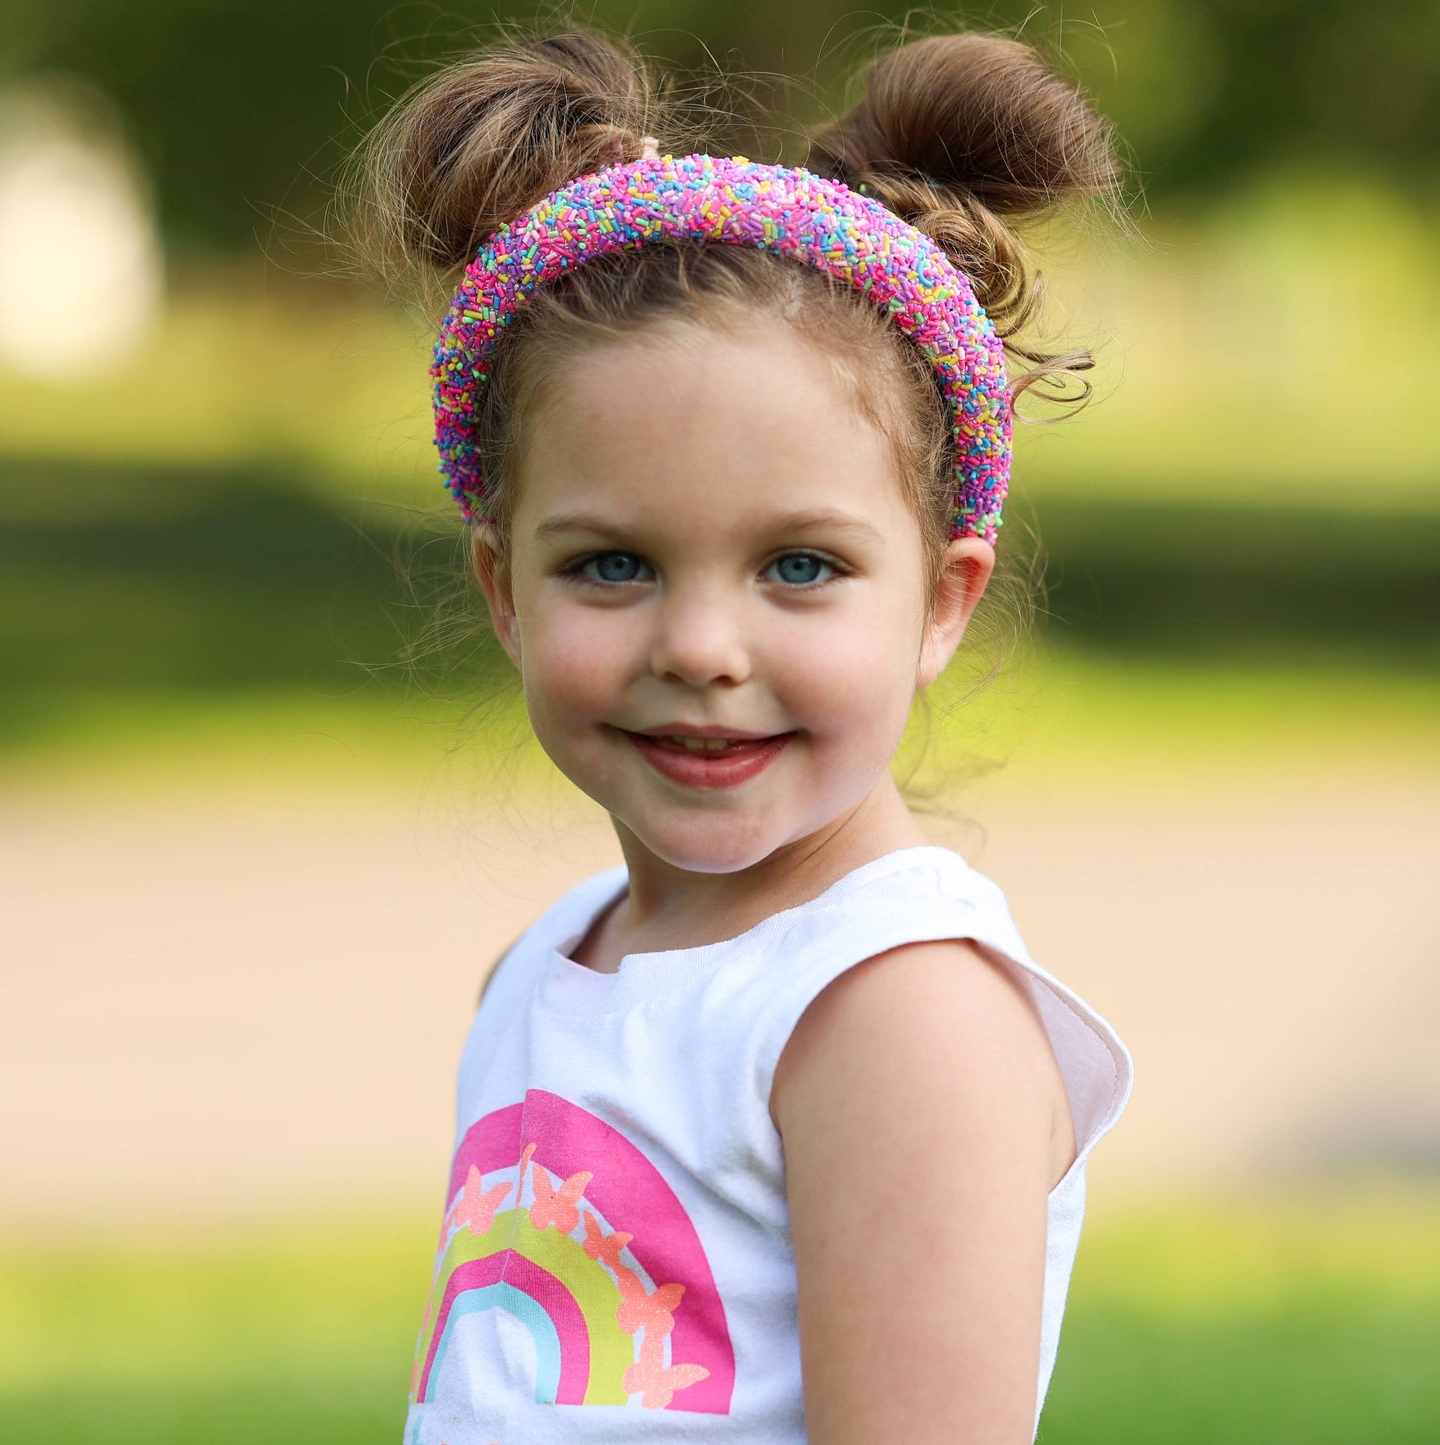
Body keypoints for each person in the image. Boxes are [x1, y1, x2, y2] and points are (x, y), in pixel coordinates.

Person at [352, 22, 1133, 1445]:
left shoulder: (891, 1013)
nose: (701, 649)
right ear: (503, 589)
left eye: (798, 567)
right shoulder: (549, 963)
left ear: (940, 601)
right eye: (610, 565)